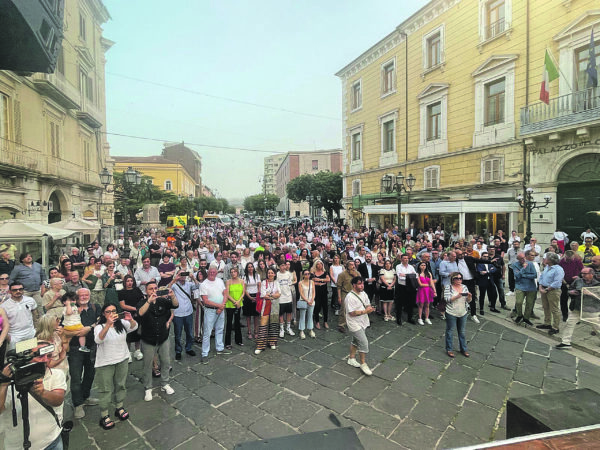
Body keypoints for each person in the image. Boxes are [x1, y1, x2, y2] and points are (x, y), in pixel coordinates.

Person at [0, 341, 67, 450]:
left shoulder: (56, 374)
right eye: (40, 356)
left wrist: (43, 392)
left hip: (52, 441)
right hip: (18, 447)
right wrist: (3, 384)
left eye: (49, 356)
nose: (45, 360)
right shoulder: (8, 382)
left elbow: (58, 400)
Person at [94, 304, 138, 429]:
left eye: (113, 311)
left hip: (122, 359)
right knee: (105, 389)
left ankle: (119, 407)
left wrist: (131, 319)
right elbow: (98, 340)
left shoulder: (121, 324)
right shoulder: (99, 327)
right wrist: (108, 325)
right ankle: (104, 414)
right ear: (103, 314)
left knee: (120, 385)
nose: (111, 313)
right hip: (105, 362)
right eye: (108, 312)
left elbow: (134, 327)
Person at [138, 281, 177, 401]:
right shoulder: (142, 302)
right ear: (146, 291)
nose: (154, 290)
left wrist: (172, 296)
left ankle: (165, 383)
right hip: (148, 339)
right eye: (151, 289)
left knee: (166, 361)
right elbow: (140, 313)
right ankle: (148, 387)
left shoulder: (162, 301)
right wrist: (149, 301)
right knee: (147, 364)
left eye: (155, 288)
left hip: (163, 337)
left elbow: (175, 305)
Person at [69, 288, 100, 420]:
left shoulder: (95, 307)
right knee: (76, 377)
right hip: (75, 348)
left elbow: (100, 321)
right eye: (81, 295)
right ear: (76, 297)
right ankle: (78, 404)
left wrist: (89, 328)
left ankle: (85, 396)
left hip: (92, 346)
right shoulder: (71, 309)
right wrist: (78, 333)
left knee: (90, 374)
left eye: (86, 295)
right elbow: (63, 328)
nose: (83, 297)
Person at [557, 267, 600, 349]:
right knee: (569, 324)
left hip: (590, 309)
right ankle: (565, 342)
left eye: (585, 274)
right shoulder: (578, 281)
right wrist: (571, 292)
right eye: (582, 273)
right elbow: (570, 289)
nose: (583, 275)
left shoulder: (597, 284)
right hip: (576, 307)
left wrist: (590, 293)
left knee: (597, 327)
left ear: (591, 274)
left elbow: (598, 297)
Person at [345, 276, 375, 376]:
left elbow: (367, 304)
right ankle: (363, 363)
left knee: (356, 341)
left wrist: (369, 308)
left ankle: (351, 358)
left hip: (363, 321)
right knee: (363, 342)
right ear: (354, 285)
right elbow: (352, 313)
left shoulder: (364, 293)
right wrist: (365, 311)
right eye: (359, 284)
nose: (362, 285)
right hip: (354, 323)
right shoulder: (350, 297)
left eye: (362, 283)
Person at [200, 268, 228, 363]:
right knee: (207, 332)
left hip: (221, 309)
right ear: (208, 273)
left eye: (214, 272)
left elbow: (225, 293)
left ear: (216, 273)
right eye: (210, 272)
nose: (212, 273)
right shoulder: (204, 284)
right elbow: (205, 301)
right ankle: (204, 353)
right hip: (210, 310)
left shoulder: (220, 281)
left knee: (220, 329)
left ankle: (220, 348)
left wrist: (222, 306)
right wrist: (219, 306)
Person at [169, 270, 199, 360]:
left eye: (184, 274)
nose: (183, 276)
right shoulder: (174, 285)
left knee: (189, 332)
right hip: (178, 313)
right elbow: (166, 289)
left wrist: (193, 277)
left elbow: (198, 286)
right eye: (181, 274)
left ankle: (188, 348)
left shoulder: (189, 284)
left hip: (188, 312)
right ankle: (178, 351)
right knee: (178, 334)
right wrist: (175, 279)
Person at [9, 253, 46, 323]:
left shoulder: (38, 265)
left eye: (30, 256)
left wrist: (43, 286)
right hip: (25, 291)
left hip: (37, 290)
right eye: (26, 257)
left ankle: (43, 323)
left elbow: (43, 276)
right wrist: (15, 290)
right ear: (22, 260)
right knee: (26, 308)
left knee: (40, 307)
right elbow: (11, 279)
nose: (29, 258)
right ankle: (28, 322)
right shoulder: (17, 268)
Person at [536, 252, 565, 336]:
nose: (544, 259)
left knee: (554, 308)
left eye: (546, 258)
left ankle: (555, 327)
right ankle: (547, 323)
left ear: (551, 260)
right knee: (545, 307)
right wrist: (540, 286)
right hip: (544, 288)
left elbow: (557, 282)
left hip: (553, 291)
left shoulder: (558, 269)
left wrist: (547, 289)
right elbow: (542, 277)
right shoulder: (547, 267)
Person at [444, 272, 471, 358]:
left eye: (460, 278)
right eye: (457, 278)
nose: (459, 280)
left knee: (462, 332)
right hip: (451, 312)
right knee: (450, 331)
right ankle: (449, 349)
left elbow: (468, 301)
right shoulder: (449, 287)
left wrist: (469, 297)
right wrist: (456, 296)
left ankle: (463, 349)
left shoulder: (464, 287)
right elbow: (447, 299)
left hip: (463, 312)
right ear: (453, 279)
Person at [254, 268, 281, 354]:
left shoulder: (276, 283)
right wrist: (273, 295)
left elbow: (279, 294)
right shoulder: (263, 282)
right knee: (263, 324)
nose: (270, 274)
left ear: (275, 274)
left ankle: (272, 342)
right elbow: (263, 294)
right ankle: (260, 346)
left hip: (275, 305)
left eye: (272, 273)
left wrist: (269, 295)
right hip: (265, 305)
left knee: (274, 323)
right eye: (269, 273)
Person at [118, 274, 145, 361]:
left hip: (138, 315)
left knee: (138, 333)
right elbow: (123, 305)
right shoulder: (121, 292)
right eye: (127, 281)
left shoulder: (137, 290)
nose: (129, 283)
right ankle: (128, 352)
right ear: (124, 282)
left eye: (131, 281)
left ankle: (137, 350)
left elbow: (142, 300)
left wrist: (139, 309)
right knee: (128, 334)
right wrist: (135, 309)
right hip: (127, 315)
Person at [3, 282, 37, 349]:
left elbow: (35, 315)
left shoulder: (30, 300)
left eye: (20, 289)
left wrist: (36, 330)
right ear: (10, 291)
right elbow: (2, 325)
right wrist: (9, 338)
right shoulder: (4, 306)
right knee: (16, 355)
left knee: (31, 354)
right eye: (15, 290)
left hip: (30, 334)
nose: (18, 291)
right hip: (15, 337)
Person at [512, 251, 538, 326]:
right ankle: (519, 315)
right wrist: (523, 268)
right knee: (518, 302)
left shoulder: (530, 263)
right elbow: (517, 275)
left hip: (531, 286)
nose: (523, 260)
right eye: (521, 259)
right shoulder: (515, 265)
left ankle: (526, 318)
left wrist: (524, 275)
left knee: (529, 303)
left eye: (524, 258)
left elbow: (534, 275)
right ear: (518, 259)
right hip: (520, 286)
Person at [224, 267, 245, 348]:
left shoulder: (241, 281)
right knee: (229, 323)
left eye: (234, 272)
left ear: (237, 272)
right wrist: (234, 302)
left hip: (239, 304)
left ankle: (238, 340)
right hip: (230, 304)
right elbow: (227, 294)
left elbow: (243, 293)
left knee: (237, 322)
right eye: (231, 272)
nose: (233, 273)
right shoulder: (228, 282)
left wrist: (238, 301)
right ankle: (227, 342)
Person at [336, 260, 360, 332]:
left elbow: (360, 283)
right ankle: (341, 324)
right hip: (345, 293)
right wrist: (339, 297)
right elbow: (339, 286)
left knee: (355, 308)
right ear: (347, 266)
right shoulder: (342, 274)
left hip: (355, 293)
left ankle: (354, 322)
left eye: (354, 264)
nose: (353, 266)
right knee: (343, 309)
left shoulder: (357, 273)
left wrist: (355, 276)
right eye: (351, 265)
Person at [395, 254, 417, 325]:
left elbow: (415, 276)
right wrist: (410, 275)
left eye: (407, 258)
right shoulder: (398, 266)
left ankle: (410, 318)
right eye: (404, 258)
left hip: (410, 287)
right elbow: (400, 277)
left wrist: (405, 275)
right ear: (401, 259)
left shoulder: (411, 267)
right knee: (399, 304)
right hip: (401, 287)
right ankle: (398, 318)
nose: (406, 259)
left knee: (410, 303)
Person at [276, 261, 296, 337]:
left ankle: (288, 327)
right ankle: (281, 328)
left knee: (289, 313)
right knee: (281, 314)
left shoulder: (288, 274)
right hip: (281, 297)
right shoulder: (277, 275)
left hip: (288, 296)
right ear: (279, 266)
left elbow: (290, 284)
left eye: (284, 265)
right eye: (282, 265)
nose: (283, 267)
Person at [242, 262, 260, 339]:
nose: (250, 268)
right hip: (248, 296)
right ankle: (249, 331)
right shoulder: (244, 277)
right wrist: (250, 297)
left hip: (256, 295)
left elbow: (259, 286)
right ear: (247, 268)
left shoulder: (257, 275)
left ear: (253, 267)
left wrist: (257, 296)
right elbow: (244, 289)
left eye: (251, 267)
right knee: (248, 315)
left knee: (256, 316)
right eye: (249, 267)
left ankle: (256, 331)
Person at [311, 260, 330, 330]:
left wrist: (319, 280)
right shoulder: (313, 273)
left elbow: (328, 280)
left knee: (325, 307)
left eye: (321, 264)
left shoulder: (325, 272)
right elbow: (312, 281)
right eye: (318, 264)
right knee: (317, 306)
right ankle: (317, 321)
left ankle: (325, 321)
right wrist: (322, 281)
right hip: (316, 291)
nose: (319, 266)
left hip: (324, 291)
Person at [297, 269, 315, 339]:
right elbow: (301, 293)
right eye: (306, 274)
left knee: (310, 316)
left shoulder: (312, 282)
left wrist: (312, 299)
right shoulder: (300, 283)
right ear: (303, 275)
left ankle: (310, 329)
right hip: (304, 301)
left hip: (311, 301)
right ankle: (301, 330)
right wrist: (307, 300)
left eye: (308, 274)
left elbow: (313, 292)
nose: (307, 275)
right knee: (302, 316)